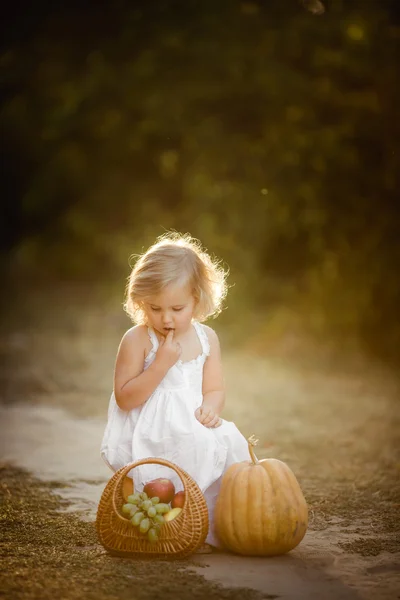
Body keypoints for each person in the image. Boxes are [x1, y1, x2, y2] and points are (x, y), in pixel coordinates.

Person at [100, 232, 250, 551]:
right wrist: (160, 366)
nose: (165, 319)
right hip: (150, 428)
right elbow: (125, 398)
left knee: (226, 442)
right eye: (154, 308)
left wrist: (211, 407)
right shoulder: (138, 339)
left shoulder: (206, 337)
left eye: (177, 308)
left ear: (197, 299)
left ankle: (210, 525)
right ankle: (169, 525)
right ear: (140, 301)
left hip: (192, 421)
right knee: (181, 453)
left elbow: (214, 387)